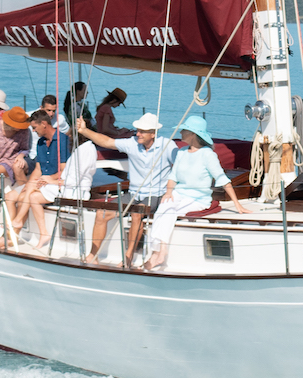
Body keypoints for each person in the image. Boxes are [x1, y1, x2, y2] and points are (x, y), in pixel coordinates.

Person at [144, 116, 249, 271]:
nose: (180, 132)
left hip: (198, 198)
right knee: (164, 206)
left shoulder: (207, 154)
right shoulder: (181, 152)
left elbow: (222, 178)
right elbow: (173, 176)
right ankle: (160, 250)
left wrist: (237, 204)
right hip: (180, 194)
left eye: (184, 130)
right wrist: (168, 192)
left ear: (192, 134)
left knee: (168, 211)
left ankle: (157, 253)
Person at [78, 112, 171, 265]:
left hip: (155, 195)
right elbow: (107, 142)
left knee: (137, 213)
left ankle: (128, 257)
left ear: (153, 133)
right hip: (133, 193)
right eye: (137, 130)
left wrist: (173, 190)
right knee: (101, 213)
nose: (138, 133)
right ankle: (92, 256)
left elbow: (181, 164)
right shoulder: (132, 143)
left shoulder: (167, 145)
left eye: (142, 131)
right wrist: (84, 131)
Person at [9, 108, 76, 249]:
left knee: (25, 196)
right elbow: (38, 169)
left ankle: (17, 222)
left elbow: (64, 170)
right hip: (41, 181)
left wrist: (46, 179)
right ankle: (12, 233)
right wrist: (29, 183)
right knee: (10, 196)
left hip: (55, 182)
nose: (33, 131)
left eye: (34, 127)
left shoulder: (62, 140)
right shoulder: (40, 142)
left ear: (44, 124)